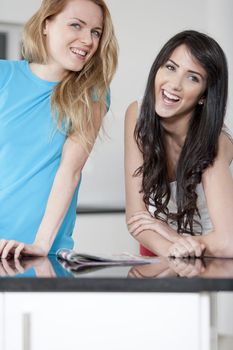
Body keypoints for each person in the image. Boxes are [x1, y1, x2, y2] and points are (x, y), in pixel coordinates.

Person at [0, 0, 118, 259]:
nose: (88, 40)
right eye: (76, 25)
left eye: (95, 32)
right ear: (46, 24)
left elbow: (70, 170)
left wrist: (41, 245)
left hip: (43, 252)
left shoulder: (92, 93)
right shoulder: (3, 75)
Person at [125, 30, 233, 258]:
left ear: (204, 95)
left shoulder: (215, 142)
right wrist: (172, 249)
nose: (174, 84)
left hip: (210, 253)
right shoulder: (137, 115)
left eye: (192, 77)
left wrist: (176, 239)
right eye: (171, 67)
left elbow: (227, 241)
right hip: (159, 246)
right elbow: (136, 216)